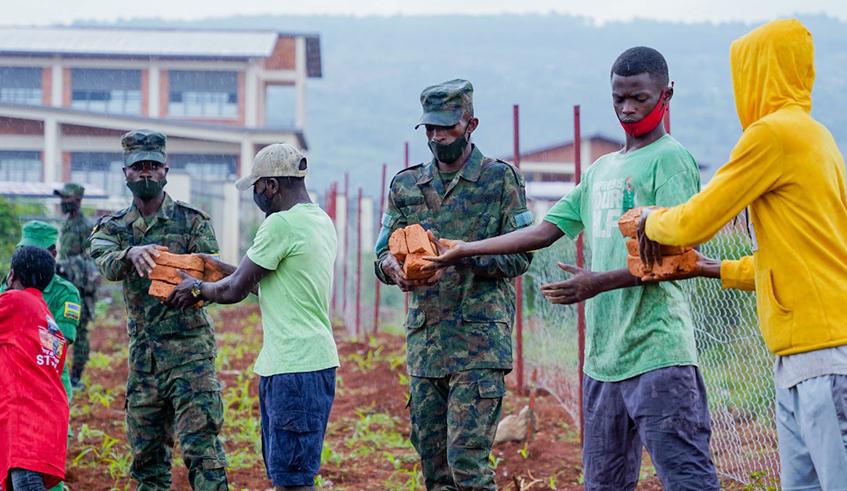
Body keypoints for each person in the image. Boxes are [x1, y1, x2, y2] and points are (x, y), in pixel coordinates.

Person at [426, 50, 720, 490]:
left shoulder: (671, 160)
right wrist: (464, 249)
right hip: (603, 362)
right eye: (618, 99)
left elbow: (679, 258)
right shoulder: (602, 169)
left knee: (687, 478)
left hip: (658, 355)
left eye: (639, 98)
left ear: (666, 94)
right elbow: (543, 231)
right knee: (602, 483)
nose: (627, 109)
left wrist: (596, 282)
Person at [636, 19, 847, 488]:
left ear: (756, 73)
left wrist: (649, 220)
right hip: (804, 354)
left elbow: (697, 219)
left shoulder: (772, 135)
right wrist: (716, 269)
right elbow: (801, 259)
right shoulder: (817, 138)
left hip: (820, 354)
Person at [373, 79, 533, 490]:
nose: (437, 135)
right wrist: (395, 268)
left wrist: (465, 255)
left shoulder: (500, 181)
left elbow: (522, 254)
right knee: (434, 466)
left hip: (479, 345)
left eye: (447, 126)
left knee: (467, 463)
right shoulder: (407, 187)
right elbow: (381, 253)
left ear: (471, 124)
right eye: (430, 128)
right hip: (427, 348)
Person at [168, 143, 339, 491]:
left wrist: (198, 288)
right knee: (291, 475)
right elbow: (272, 284)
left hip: (294, 368)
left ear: (272, 186)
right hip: (311, 363)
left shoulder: (280, 224)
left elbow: (233, 291)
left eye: (257, 188)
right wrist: (220, 270)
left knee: (292, 481)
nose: (256, 196)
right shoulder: (319, 220)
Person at [88, 129, 228, 490]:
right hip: (145, 362)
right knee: (147, 462)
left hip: (191, 358)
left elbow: (214, 277)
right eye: (139, 167)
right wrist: (129, 253)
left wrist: (192, 287)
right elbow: (104, 261)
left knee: (204, 454)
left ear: (166, 170)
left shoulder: (193, 221)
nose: (146, 173)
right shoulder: (113, 227)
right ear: (126, 174)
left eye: (153, 166)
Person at [0, 221, 82, 491]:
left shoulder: (17, 300)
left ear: (12, 274)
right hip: (39, 399)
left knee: (26, 477)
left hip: (28, 399)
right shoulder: (39, 305)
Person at [54, 182, 98, 389]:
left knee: (79, 333)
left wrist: (66, 268)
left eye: (67, 198)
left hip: (80, 290)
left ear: (78, 201)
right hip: (65, 287)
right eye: (62, 198)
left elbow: (91, 261)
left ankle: (76, 377)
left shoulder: (85, 226)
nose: (63, 202)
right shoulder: (68, 224)